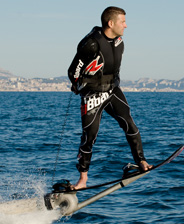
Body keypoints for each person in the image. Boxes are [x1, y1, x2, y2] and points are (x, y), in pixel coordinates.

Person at [68, 6, 152, 190]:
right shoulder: (91, 44)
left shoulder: (119, 42)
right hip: (92, 94)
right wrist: (77, 84)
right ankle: (82, 180)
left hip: (113, 90)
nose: (126, 25)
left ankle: (142, 161)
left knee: (130, 124)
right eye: (123, 21)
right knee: (90, 135)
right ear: (111, 23)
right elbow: (73, 70)